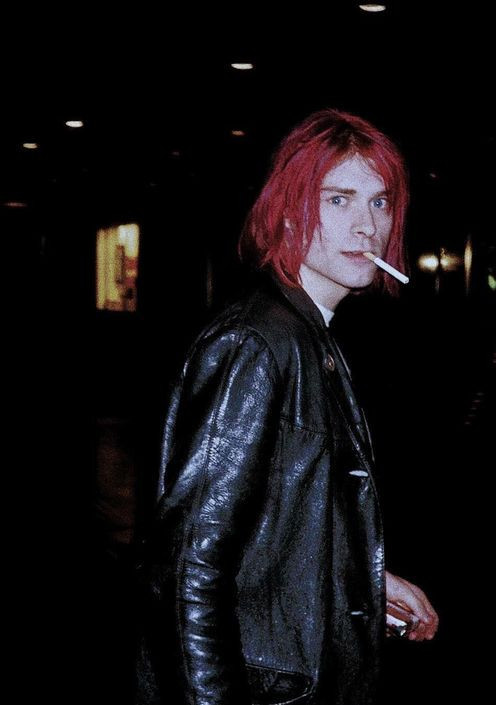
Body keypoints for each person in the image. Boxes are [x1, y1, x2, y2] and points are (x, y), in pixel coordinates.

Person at [135, 108, 439, 705]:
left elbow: (275, 528)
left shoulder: (307, 335)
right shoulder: (257, 344)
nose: (366, 226)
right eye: (338, 199)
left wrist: (360, 579)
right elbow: (189, 567)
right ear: (289, 211)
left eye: (379, 202)